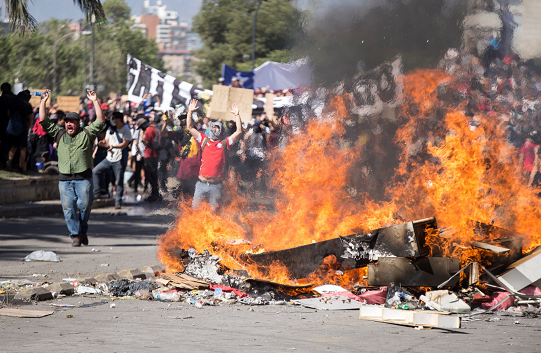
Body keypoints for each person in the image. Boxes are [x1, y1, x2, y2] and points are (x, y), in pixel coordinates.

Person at [39, 89, 105, 247]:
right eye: (67, 121)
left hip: (84, 178)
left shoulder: (87, 133)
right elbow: (43, 120)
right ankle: (76, 235)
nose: (69, 124)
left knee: (85, 206)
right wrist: (43, 101)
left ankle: (83, 230)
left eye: (73, 121)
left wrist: (95, 100)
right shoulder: (59, 133)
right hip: (65, 179)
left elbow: (100, 120)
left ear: (78, 124)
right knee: (68, 208)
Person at [186, 99, 243, 210]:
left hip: (216, 186)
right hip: (201, 184)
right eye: (213, 127)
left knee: (215, 214)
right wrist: (190, 112)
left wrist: (237, 115)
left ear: (222, 131)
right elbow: (190, 128)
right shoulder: (204, 140)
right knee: (195, 212)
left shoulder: (225, 143)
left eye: (217, 127)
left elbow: (239, 132)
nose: (214, 128)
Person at [92, 111, 132, 208]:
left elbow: (125, 144)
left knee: (119, 181)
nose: (111, 120)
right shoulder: (110, 129)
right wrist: (103, 143)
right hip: (109, 158)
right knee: (95, 171)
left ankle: (118, 202)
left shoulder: (126, 130)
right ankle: (97, 192)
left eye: (113, 118)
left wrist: (114, 147)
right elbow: (107, 142)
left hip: (119, 159)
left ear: (118, 119)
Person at [5, 90, 33, 172]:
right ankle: (21, 166)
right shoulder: (27, 105)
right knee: (22, 148)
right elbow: (31, 119)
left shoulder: (12, 102)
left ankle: (9, 163)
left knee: (13, 147)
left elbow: (8, 113)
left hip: (13, 128)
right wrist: (27, 129)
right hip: (23, 128)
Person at [141, 115, 161, 202]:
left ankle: (155, 195)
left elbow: (146, 142)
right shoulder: (154, 128)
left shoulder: (149, 129)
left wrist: (142, 136)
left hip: (150, 156)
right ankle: (155, 194)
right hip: (154, 155)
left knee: (151, 176)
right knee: (153, 176)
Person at [0, 83, 15, 168]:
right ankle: (11, 163)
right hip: (15, 126)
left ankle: (4, 162)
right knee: (13, 145)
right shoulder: (15, 98)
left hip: (3, 124)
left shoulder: (1, 99)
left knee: (4, 143)